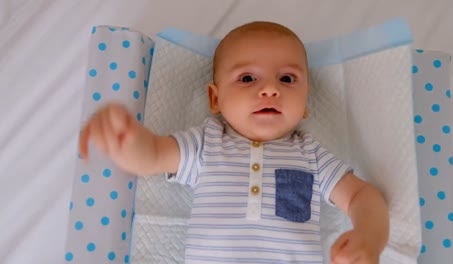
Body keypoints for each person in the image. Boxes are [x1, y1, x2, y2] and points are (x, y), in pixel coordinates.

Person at [79, 21, 389, 264]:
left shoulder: (310, 155)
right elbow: (153, 156)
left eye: (287, 79)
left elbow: (362, 195)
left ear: (306, 102)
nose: (270, 89)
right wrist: (126, 138)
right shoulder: (207, 144)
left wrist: (369, 237)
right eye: (247, 79)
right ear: (215, 98)